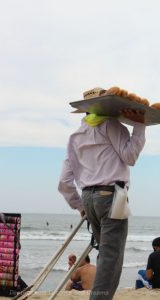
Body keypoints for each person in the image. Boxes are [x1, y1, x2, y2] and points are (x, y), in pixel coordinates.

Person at [58, 87, 146, 300]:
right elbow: (130, 156)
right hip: (111, 196)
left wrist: (80, 206)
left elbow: (64, 183)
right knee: (110, 260)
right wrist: (139, 126)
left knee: (106, 256)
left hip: (89, 199)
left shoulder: (75, 136)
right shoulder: (111, 125)